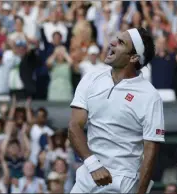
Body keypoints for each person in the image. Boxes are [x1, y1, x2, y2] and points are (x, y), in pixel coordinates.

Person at [68, 27, 165, 193]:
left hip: (122, 183)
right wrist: (93, 165)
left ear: (133, 57)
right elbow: (74, 126)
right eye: (116, 39)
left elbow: (151, 151)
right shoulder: (91, 78)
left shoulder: (150, 96)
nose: (112, 42)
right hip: (86, 178)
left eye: (121, 43)